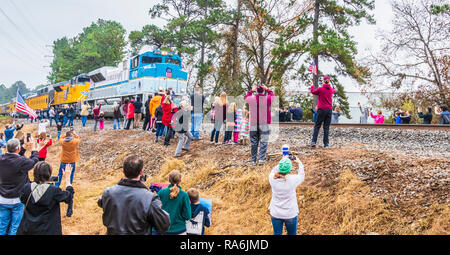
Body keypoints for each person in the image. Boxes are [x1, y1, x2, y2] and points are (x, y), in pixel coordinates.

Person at [97, 155, 170, 235]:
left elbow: (100, 202)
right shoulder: (150, 198)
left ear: (123, 172)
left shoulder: (108, 192)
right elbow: (164, 225)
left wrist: (120, 184)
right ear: (141, 172)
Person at [17, 162, 74, 235]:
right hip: (48, 230)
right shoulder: (54, 191)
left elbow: (22, 199)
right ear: (49, 174)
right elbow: (69, 197)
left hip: (28, 229)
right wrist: (67, 179)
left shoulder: (26, 188)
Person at [0, 138, 39, 235]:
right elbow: (34, 161)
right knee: (15, 227)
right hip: (18, 199)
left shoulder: (1, 159)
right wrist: (34, 149)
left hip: (3, 198)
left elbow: (15, 157)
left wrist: (24, 148)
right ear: (18, 148)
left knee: (2, 226)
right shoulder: (21, 162)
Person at [268, 156, 305, 235]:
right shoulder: (293, 180)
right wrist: (299, 163)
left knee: (277, 233)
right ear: (290, 169)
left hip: (275, 212)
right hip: (290, 213)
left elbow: (273, 170)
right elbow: (302, 176)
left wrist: (282, 161)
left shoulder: (271, 178)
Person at [154, 170, 191, 235]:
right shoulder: (184, 195)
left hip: (162, 229)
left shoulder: (161, 192)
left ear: (169, 180)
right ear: (180, 180)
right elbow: (187, 216)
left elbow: (155, 210)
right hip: (179, 230)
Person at [245, 84, 275, 164]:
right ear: (263, 91)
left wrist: (252, 90)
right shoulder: (267, 99)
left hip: (253, 123)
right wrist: (268, 89)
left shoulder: (251, 99)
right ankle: (261, 159)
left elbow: (246, 97)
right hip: (264, 123)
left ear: (256, 91)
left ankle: (253, 160)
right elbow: (272, 95)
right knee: (264, 141)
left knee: (254, 142)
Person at [310, 76, 335, 148]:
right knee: (326, 127)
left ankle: (314, 141)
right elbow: (333, 90)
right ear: (329, 81)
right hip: (329, 110)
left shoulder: (321, 89)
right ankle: (326, 143)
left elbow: (313, 91)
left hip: (321, 110)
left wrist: (312, 85)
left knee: (317, 126)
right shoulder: (331, 90)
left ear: (323, 81)